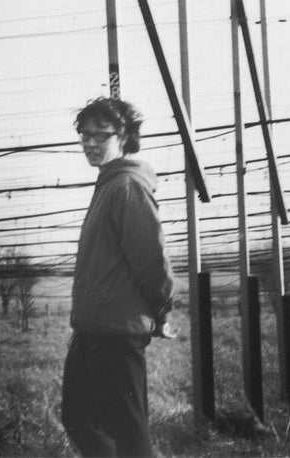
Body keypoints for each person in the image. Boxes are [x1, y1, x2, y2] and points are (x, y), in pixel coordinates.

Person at [61, 97, 175, 457]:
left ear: (123, 137)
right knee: (78, 418)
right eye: (85, 136)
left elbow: (150, 257)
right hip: (92, 328)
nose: (91, 143)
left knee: (127, 432)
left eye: (101, 135)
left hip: (117, 331)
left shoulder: (127, 186)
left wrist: (162, 309)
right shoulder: (108, 185)